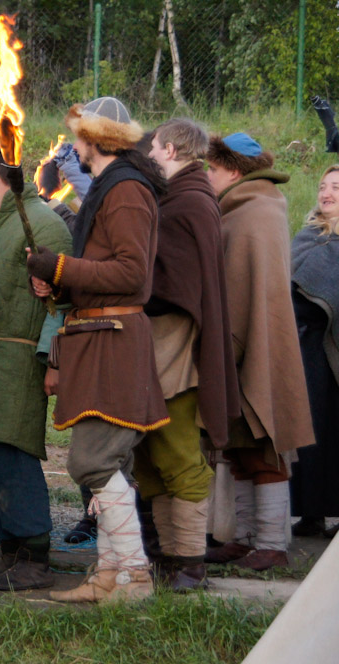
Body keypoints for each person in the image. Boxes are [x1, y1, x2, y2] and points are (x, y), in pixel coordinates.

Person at [26, 96, 167, 603]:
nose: (73, 146)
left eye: (78, 137)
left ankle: (133, 576)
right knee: (108, 465)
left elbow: (131, 274)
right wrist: (59, 283)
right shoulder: (113, 187)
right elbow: (107, 270)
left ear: (94, 139)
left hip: (114, 340)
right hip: (100, 336)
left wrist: (61, 268)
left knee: (95, 461)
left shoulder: (125, 190)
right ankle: (111, 576)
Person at [202, 133, 315, 570]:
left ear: (233, 170)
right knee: (238, 447)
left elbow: (249, 291)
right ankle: (247, 537)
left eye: (213, 169)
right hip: (236, 343)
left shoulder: (257, 210)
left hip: (258, 347)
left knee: (264, 447)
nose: (208, 176)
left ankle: (271, 543)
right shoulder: (239, 207)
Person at [0, 143, 71, 591]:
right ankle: (9, 549)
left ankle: (34, 555)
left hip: (18, 363)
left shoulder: (43, 225)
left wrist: (53, 361)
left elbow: (61, 303)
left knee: (12, 454)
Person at [138, 119, 240, 589]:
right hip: (157, 344)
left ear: (174, 150)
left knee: (178, 452)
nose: (150, 154)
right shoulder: (177, 197)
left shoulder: (192, 201)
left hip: (176, 348)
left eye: (155, 147)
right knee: (153, 456)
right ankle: (169, 557)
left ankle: (191, 564)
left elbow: (177, 283)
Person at [290, 165, 339, 538]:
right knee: (309, 432)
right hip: (306, 350)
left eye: (336, 187)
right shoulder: (306, 236)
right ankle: (311, 512)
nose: (326, 193)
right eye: (323, 186)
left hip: (332, 349)